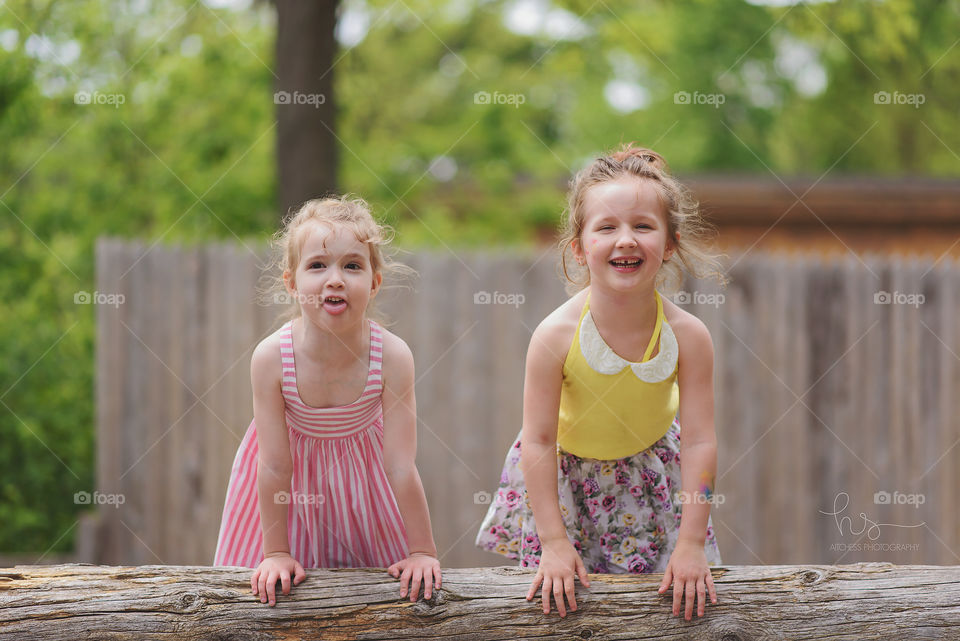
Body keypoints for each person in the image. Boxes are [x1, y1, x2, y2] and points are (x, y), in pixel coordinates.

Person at [476, 144, 726, 620]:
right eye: (607, 227)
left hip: (655, 483)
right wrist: (552, 540)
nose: (626, 240)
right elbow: (538, 441)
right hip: (565, 486)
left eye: (643, 226)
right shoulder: (555, 336)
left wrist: (691, 541)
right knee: (567, 611)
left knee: (667, 611)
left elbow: (700, 441)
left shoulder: (689, 336)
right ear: (579, 245)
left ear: (669, 243)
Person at [214, 196, 440, 606]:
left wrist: (423, 551)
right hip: (291, 494)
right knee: (282, 605)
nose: (334, 279)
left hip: (363, 490)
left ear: (374, 283)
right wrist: (276, 553)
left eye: (352, 265)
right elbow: (275, 465)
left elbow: (401, 464)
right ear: (292, 282)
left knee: (375, 605)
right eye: (317, 265)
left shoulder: (391, 356)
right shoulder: (271, 359)